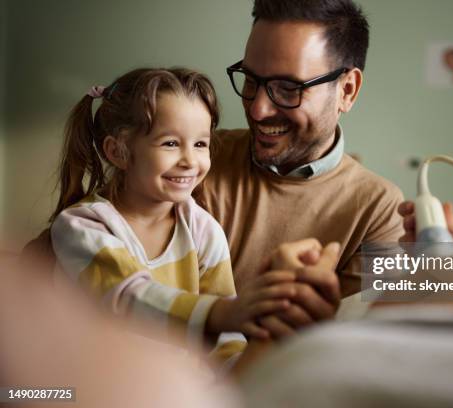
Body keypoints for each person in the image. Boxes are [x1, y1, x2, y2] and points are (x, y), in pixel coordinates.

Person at [49, 67, 310, 361]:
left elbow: (226, 343)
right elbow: (127, 298)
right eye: (170, 143)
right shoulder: (84, 227)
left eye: (201, 144)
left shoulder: (204, 231)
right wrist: (225, 313)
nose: (190, 161)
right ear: (118, 152)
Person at [198, 0, 405, 310]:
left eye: (288, 88)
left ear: (346, 91)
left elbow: (354, 343)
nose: (257, 108)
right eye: (251, 80)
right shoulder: (195, 161)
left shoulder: (380, 212)